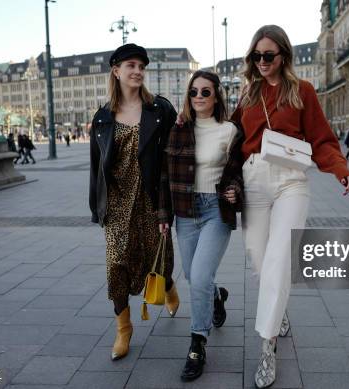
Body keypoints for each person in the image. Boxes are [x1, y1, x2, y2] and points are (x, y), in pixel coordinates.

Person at [231, 25, 349, 389]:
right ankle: (278, 306)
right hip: (254, 178)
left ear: (283, 55)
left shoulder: (302, 91)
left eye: (268, 55)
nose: (262, 62)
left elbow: (321, 137)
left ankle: (266, 345)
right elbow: (231, 135)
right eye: (256, 56)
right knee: (260, 260)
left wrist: (339, 168)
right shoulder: (248, 94)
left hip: (291, 181)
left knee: (280, 257)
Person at [89, 43, 179, 361]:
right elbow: (96, 167)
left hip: (151, 202)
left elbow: (172, 161)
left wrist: (168, 207)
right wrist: (96, 208)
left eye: (142, 66)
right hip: (116, 205)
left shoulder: (161, 110)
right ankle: (123, 329)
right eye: (131, 65)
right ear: (116, 71)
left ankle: (168, 286)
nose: (138, 71)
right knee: (117, 267)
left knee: (160, 260)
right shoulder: (102, 118)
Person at [160, 70, 244, 381]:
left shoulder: (230, 131)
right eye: (194, 91)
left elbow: (238, 171)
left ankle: (198, 343)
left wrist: (235, 189)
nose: (198, 97)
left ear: (217, 96)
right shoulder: (178, 129)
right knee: (198, 277)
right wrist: (162, 217)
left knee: (198, 277)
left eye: (205, 92)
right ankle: (216, 297)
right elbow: (165, 177)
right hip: (184, 212)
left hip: (214, 211)